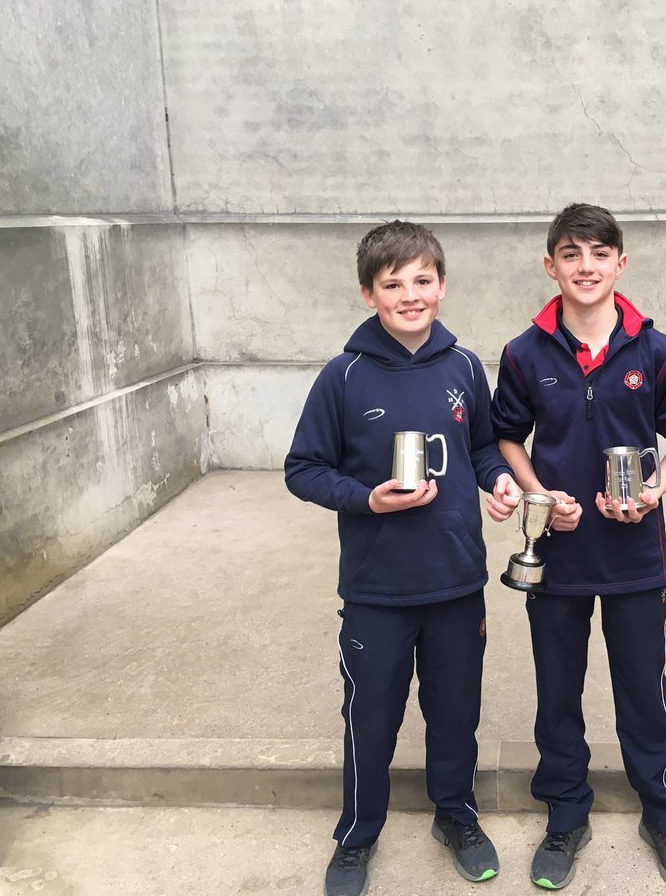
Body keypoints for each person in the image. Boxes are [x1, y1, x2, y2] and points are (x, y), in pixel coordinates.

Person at [285, 221, 521, 896]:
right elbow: (302, 469)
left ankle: (457, 816)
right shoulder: (343, 377)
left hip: (455, 584)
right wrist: (368, 501)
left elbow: (482, 447)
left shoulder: (466, 367)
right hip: (377, 590)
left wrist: (497, 481)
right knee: (371, 717)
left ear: (442, 286)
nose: (410, 296)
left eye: (423, 281)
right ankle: (358, 835)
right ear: (369, 294)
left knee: (455, 713)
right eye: (393, 285)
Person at [492, 203, 666, 890]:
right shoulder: (525, 354)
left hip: (636, 552)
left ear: (621, 263)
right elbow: (506, 438)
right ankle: (565, 813)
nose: (586, 267)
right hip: (559, 553)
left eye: (599, 253)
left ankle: (665, 816)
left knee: (642, 687)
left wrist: (653, 492)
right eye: (571, 254)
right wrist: (539, 497)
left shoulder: (659, 352)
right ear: (550, 265)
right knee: (559, 689)